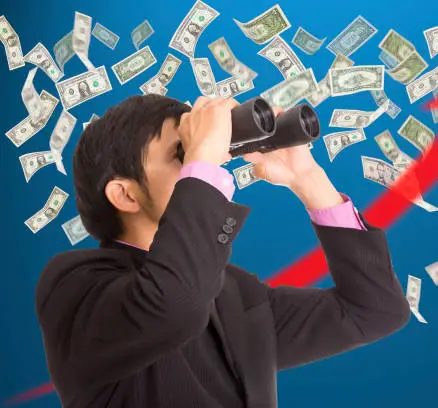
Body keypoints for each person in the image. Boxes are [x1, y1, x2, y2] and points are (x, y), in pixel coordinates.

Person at [35, 94, 411, 408]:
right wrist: (203, 160)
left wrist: (307, 178)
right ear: (126, 194)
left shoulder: (232, 294)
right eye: (181, 153)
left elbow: (375, 310)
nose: (209, 162)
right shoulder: (76, 286)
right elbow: (174, 303)